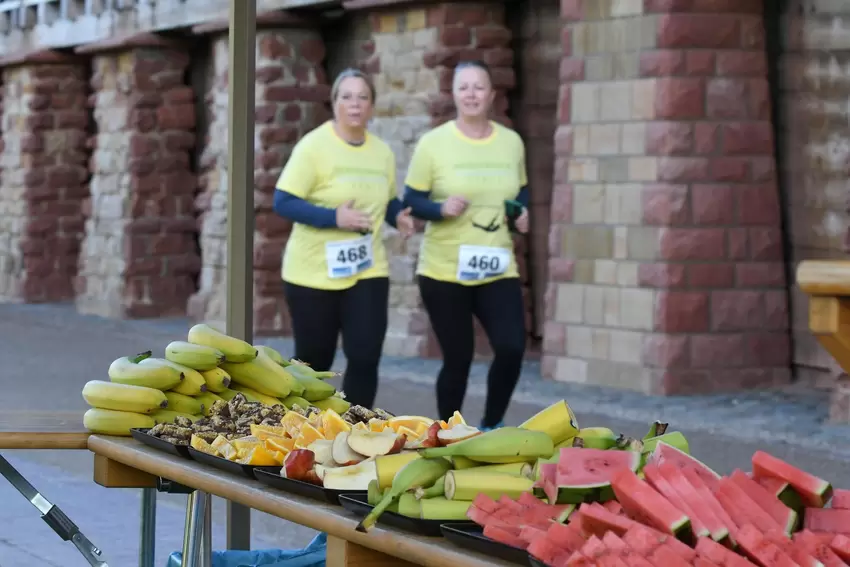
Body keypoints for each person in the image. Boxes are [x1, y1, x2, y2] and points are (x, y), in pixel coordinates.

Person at [272, 68, 414, 410]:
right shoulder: (314, 147)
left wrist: (397, 215)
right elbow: (283, 201)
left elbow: (387, 197)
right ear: (334, 103)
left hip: (367, 269)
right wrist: (335, 217)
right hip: (312, 273)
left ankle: (357, 429)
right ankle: (304, 432)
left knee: (365, 356)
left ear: (372, 106)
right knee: (312, 364)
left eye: (362, 97)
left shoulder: (381, 152)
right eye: (346, 97)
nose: (355, 104)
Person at [402, 60, 530, 432]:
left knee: (511, 347)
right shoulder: (434, 143)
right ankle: (446, 434)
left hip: (496, 266)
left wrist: (519, 214)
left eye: (479, 87)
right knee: (459, 358)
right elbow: (412, 199)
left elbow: (518, 190)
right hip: (444, 270)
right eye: (464, 87)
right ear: (455, 95)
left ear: (491, 95)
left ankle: (492, 424)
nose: (472, 94)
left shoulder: (510, 141)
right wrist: (439, 208)